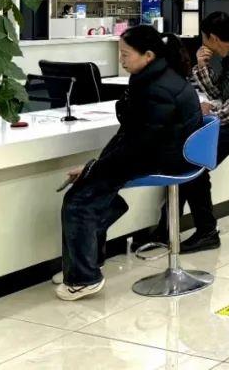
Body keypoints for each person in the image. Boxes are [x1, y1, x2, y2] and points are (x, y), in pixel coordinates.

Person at [56, 26, 200, 301]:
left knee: (79, 201)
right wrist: (95, 166)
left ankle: (84, 278)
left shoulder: (155, 89)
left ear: (148, 55)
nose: (120, 60)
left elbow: (136, 146)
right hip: (166, 152)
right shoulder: (153, 78)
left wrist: (93, 168)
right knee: (90, 190)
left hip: (163, 158)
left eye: (125, 54)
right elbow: (133, 135)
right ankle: (82, 264)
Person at [150, 11, 229, 253]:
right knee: (188, 157)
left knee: (194, 161)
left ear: (212, 38)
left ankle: (205, 231)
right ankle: (167, 227)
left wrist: (211, 117)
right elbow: (218, 93)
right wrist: (202, 66)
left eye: (203, 37)